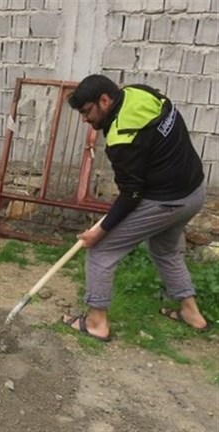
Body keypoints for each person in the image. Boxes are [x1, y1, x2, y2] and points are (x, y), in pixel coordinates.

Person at [63, 74, 208, 341]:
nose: (85, 119)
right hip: (195, 191)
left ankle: (96, 323)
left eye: (87, 112)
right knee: (165, 249)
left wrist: (101, 230)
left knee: (102, 249)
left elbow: (131, 194)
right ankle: (191, 313)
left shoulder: (122, 138)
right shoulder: (139, 93)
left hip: (167, 201)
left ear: (105, 100)